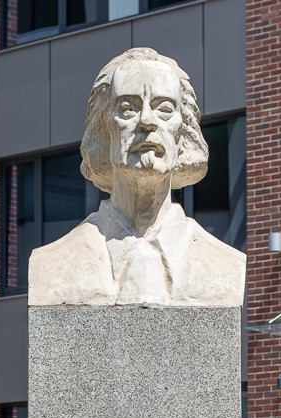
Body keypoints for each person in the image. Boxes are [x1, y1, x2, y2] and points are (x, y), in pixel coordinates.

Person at [27, 46, 244, 308]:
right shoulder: (52, 265)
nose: (147, 121)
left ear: (183, 132)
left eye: (164, 108)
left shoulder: (223, 265)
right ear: (104, 128)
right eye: (127, 108)